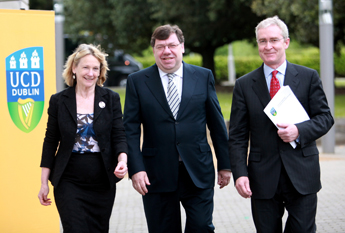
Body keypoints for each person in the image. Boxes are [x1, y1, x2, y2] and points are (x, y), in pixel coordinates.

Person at [228, 16, 334, 233]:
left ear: (286, 42)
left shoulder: (308, 77)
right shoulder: (244, 85)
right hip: (262, 176)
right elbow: (237, 136)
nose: (268, 46)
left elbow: (325, 118)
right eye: (262, 41)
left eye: (274, 40)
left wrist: (299, 131)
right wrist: (240, 173)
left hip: (302, 174)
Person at [123, 24, 231, 233]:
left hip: (198, 170)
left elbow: (217, 125)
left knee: (201, 227)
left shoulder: (203, 76)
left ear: (182, 47)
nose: (167, 51)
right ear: (154, 50)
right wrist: (136, 169)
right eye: (160, 46)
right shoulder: (137, 81)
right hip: (156, 174)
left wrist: (225, 164)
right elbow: (130, 129)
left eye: (172, 45)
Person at [38, 44, 128, 233]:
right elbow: (50, 141)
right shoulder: (59, 100)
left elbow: (118, 134)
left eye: (96, 68)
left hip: (102, 181)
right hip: (68, 181)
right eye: (86, 67)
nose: (91, 73)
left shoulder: (111, 98)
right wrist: (44, 183)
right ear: (74, 68)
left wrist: (122, 161)